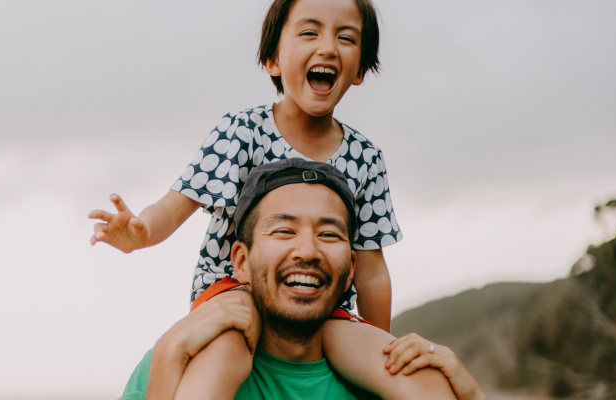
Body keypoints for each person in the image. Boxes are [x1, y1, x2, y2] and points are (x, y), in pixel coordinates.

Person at [91, 0, 403, 398]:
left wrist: (382, 344)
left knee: (382, 362)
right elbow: (175, 204)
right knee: (228, 348)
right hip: (232, 288)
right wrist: (142, 233)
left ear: (359, 69)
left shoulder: (366, 156)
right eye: (310, 32)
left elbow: (372, 269)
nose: (328, 47)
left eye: (345, 38)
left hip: (319, 301)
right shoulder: (241, 130)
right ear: (273, 60)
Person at [118, 160, 487, 400]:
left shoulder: (386, 382)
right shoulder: (172, 368)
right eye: (283, 231)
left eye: (329, 235)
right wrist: (169, 357)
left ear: (351, 271)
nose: (307, 251)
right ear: (241, 263)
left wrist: (471, 396)